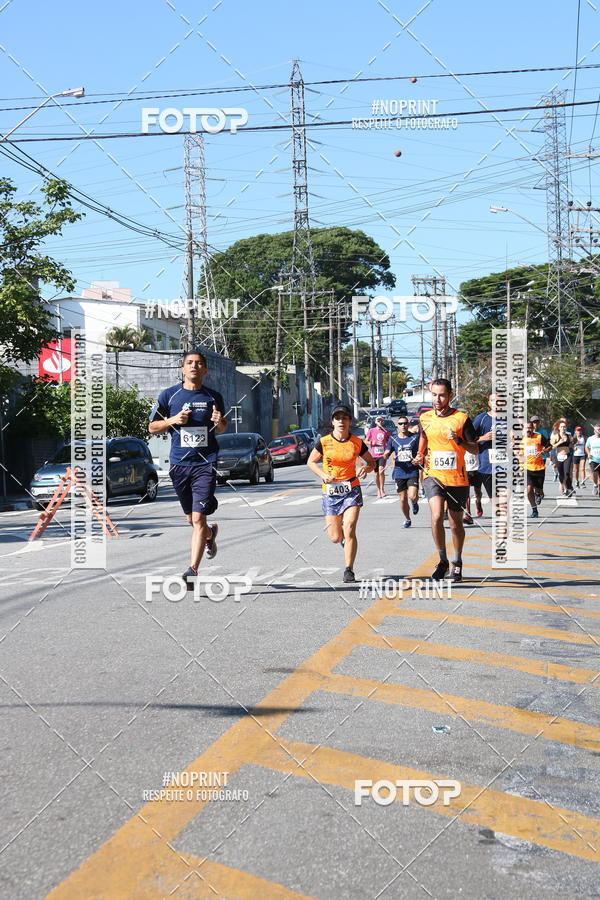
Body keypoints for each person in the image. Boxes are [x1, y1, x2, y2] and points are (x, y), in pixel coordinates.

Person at [149, 349, 227, 581]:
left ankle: (192, 570)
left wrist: (219, 421)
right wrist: (173, 420)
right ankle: (210, 534)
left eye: (199, 363)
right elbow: (152, 427)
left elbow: (222, 428)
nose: (194, 366)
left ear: (205, 370)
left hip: (206, 463)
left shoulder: (213, 397)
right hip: (179, 464)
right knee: (191, 519)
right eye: (190, 362)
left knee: (198, 519)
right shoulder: (169, 396)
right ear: (183, 369)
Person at [415, 379, 479, 583]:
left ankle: (457, 561)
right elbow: (424, 436)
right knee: (436, 517)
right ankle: (442, 561)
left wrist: (459, 440)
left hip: (457, 478)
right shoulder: (425, 417)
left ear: (450, 395)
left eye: (442, 395)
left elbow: (475, 449)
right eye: (434, 395)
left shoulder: (461, 419)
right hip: (433, 475)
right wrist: (419, 454)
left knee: (455, 523)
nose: (437, 399)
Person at [308, 405, 375, 584]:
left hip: (351, 489)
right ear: (332, 422)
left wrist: (366, 468)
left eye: (344, 418)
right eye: (337, 418)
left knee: (350, 526)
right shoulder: (324, 442)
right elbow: (311, 462)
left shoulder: (357, 442)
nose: (341, 421)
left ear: (350, 421)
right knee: (335, 537)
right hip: (330, 492)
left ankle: (348, 570)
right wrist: (323, 475)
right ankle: (344, 541)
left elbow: (371, 462)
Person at [383, 416, 420, 528]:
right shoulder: (393, 439)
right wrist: (386, 455)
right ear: (397, 426)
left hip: (412, 470)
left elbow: (422, 451)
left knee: (412, 495)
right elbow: (387, 452)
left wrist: (418, 458)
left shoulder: (415, 438)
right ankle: (407, 519)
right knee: (403, 499)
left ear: (408, 425)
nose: (403, 425)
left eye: (405, 423)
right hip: (399, 471)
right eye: (400, 423)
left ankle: (414, 502)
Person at [523, 420, 552, 518]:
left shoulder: (539, 437)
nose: (528, 429)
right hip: (527, 467)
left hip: (539, 467)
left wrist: (543, 452)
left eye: (530, 428)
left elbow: (549, 446)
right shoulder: (521, 439)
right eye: (526, 428)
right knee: (528, 489)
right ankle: (534, 510)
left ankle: (539, 493)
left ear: (533, 428)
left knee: (538, 490)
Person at [365, 415, 391, 498]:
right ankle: (378, 490)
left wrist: (388, 451)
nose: (380, 422)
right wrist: (373, 443)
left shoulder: (385, 431)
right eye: (378, 421)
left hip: (382, 455)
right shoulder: (371, 430)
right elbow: (365, 441)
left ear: (383, 422)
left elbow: (390, 442)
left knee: (381, 471)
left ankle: (382, 489)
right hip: (374, 455)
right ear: (375, 422)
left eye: (381, 421)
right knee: (376, 473)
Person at [550, 420, 575, 497]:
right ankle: (563, 487)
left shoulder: (569, 436)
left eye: (564, 427)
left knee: (567, 473)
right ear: (559, 428)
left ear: (566, 428)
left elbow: (570, 445)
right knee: (561, 474)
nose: (563, 428)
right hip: (559, 456)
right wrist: (559, 442)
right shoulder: (556, 436)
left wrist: (573, 447)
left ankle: (569, 488)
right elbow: (552, 447)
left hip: (567, 456)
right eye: (561, 427)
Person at [586, 423, 600, 496]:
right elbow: (587, 447)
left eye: (599, 430)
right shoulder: (590, 438)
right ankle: (595, 485)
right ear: (594, 430)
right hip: (593, 459)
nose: (598, 431)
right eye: (597, 430)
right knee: (594, 472)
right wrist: (588, 453)